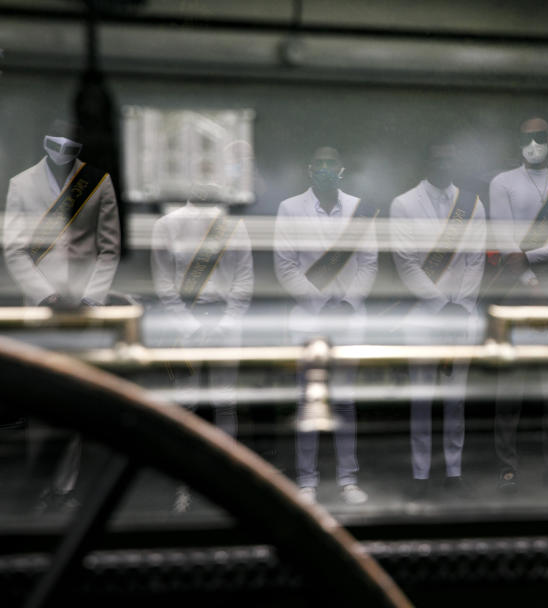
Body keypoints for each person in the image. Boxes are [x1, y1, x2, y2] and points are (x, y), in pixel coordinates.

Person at [3, 119, 121, 510]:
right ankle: (40, 484)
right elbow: (14, 249)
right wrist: (43, 294)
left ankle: (65, 487)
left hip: (83, 309)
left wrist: (91, 299)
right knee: (42, 395)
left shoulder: (98, 182)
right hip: (41, 307)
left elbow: (109, 248)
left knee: (76, 394)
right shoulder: (21, 184)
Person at [274, 146, 378, 506]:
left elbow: (369, 263)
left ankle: (348, 479)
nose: (324, 169)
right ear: (308, 169)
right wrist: (321, 300)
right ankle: (307, 481)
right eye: (318, 164)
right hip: (308, 317)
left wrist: (347, 302)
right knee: (309, 400)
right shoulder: (290, 208)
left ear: (341, 169)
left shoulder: (357, 208)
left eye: (330, 164)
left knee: (346, 402)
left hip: (349, 318)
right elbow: (285, 267)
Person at [487, 116, 548, 493]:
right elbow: (504, 237)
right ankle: (506, 465)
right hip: (516, 293)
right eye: (527, 137)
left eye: (540, 137)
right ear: (519, 140)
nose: (534, 144)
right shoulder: (503, 183)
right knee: (509, 390)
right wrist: (529, 279)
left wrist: (530, 261)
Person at [151, 167, 254, 511]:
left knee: (226, 401)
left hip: (226, 319)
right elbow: (163, 282)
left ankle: (229, 479)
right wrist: (187, 323)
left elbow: (244, 279)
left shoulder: (234, 226)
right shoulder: (166, 225)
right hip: (185, 322)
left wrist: (227, 322)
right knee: (187, 405)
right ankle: (185, 483)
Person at [390, 143, 486, 499]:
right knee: (421, 400)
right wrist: (439, 302)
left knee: (455, 399)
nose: (444, 164)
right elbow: (406, 263)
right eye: (437, 158)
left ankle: (454, 469)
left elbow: (475, 262)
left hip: (461, 315)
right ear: (425, 162)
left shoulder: (472, 205)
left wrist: (459, 306)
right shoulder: (403, 204)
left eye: (450, 158)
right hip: (424, 317)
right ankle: (420, 472)